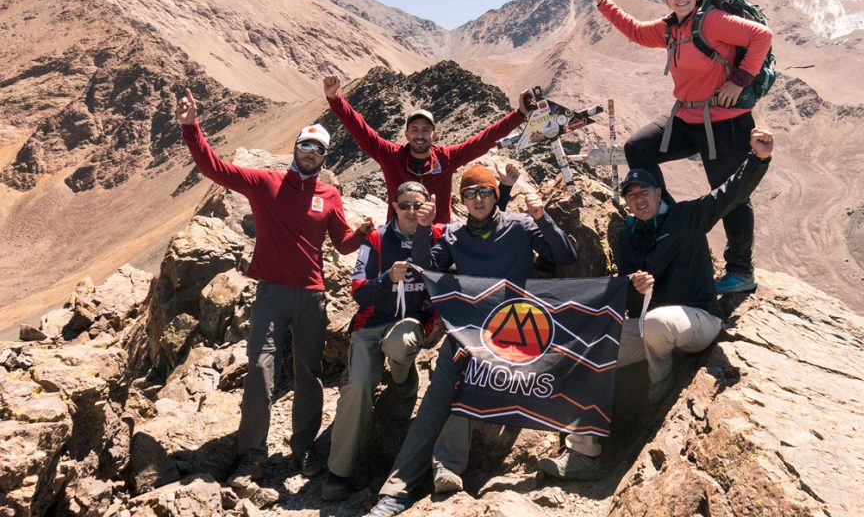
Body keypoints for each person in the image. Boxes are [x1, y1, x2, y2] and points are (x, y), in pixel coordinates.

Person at [538, 127, 774, 481]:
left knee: (657, 324)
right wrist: (633, 286)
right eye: (630, 196)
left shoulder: (686, 218)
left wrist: (758, 159)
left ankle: (658, 381)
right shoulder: (628, 240)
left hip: (699, 320)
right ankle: (584, 454)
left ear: (659, 192)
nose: (637, 200)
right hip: (652, 326)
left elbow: (730, 195)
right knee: (589, 350)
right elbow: (629, 299)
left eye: (644, 192)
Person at [175, 88, 370, 488]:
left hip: (313, 294)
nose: (311, 153)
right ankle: (252, 454)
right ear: (295, 148)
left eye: (319, 149)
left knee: (309, 374)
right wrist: (191, 127)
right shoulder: (266, 183)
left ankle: (303, 448)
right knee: (261, 371)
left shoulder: (329, 195)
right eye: (306, 145)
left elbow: (343, 244)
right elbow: (215, 169)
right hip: (271, 294)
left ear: (325, 157)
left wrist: (364, 234)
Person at [366, 163, 578, 517]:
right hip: (467, 332)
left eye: (484, 192)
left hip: (517, 331)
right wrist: (422, 229)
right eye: (470, 193)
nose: (478, 199)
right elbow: (425, 270)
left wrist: (542, 217)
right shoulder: (452, 235)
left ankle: (446, 467)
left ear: (496, 195)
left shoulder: (520, 226)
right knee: (434, 403)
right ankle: (396, 492)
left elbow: (565, 255)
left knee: (468, 385)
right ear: (462, 199)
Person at [586, 0, 773, 295]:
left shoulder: (712, 21)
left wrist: (740, 79)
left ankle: (741, 271)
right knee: (639, 148)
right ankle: (670, 222)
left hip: (726, 119)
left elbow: (761, 36)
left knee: (732, 194)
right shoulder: (669, 29)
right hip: (688, 116)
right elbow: (636, 31)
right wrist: (603, 2)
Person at [322, 181, 444, 501]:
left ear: (426, 207)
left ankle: (403, 378)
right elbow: (359, 291)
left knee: (400, 346)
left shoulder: (437, 236)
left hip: (410, 324)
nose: (411, 211)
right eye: (404, 205)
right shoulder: (375, 239)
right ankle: (339, 471)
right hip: (370, 325)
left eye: (417, 205)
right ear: (394, 206)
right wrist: (386, 278)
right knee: (359, 385)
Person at [322, 74, 533, 224]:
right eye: (414, 129)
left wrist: (520, 114)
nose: (420, 135)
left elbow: (483, 140)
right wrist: (335, 98)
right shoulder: (390, 155)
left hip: (437, 238)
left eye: (425, 130)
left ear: (434, 134)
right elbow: (360, 129)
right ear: (406, 134)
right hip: (399, 235)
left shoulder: (447, 157)